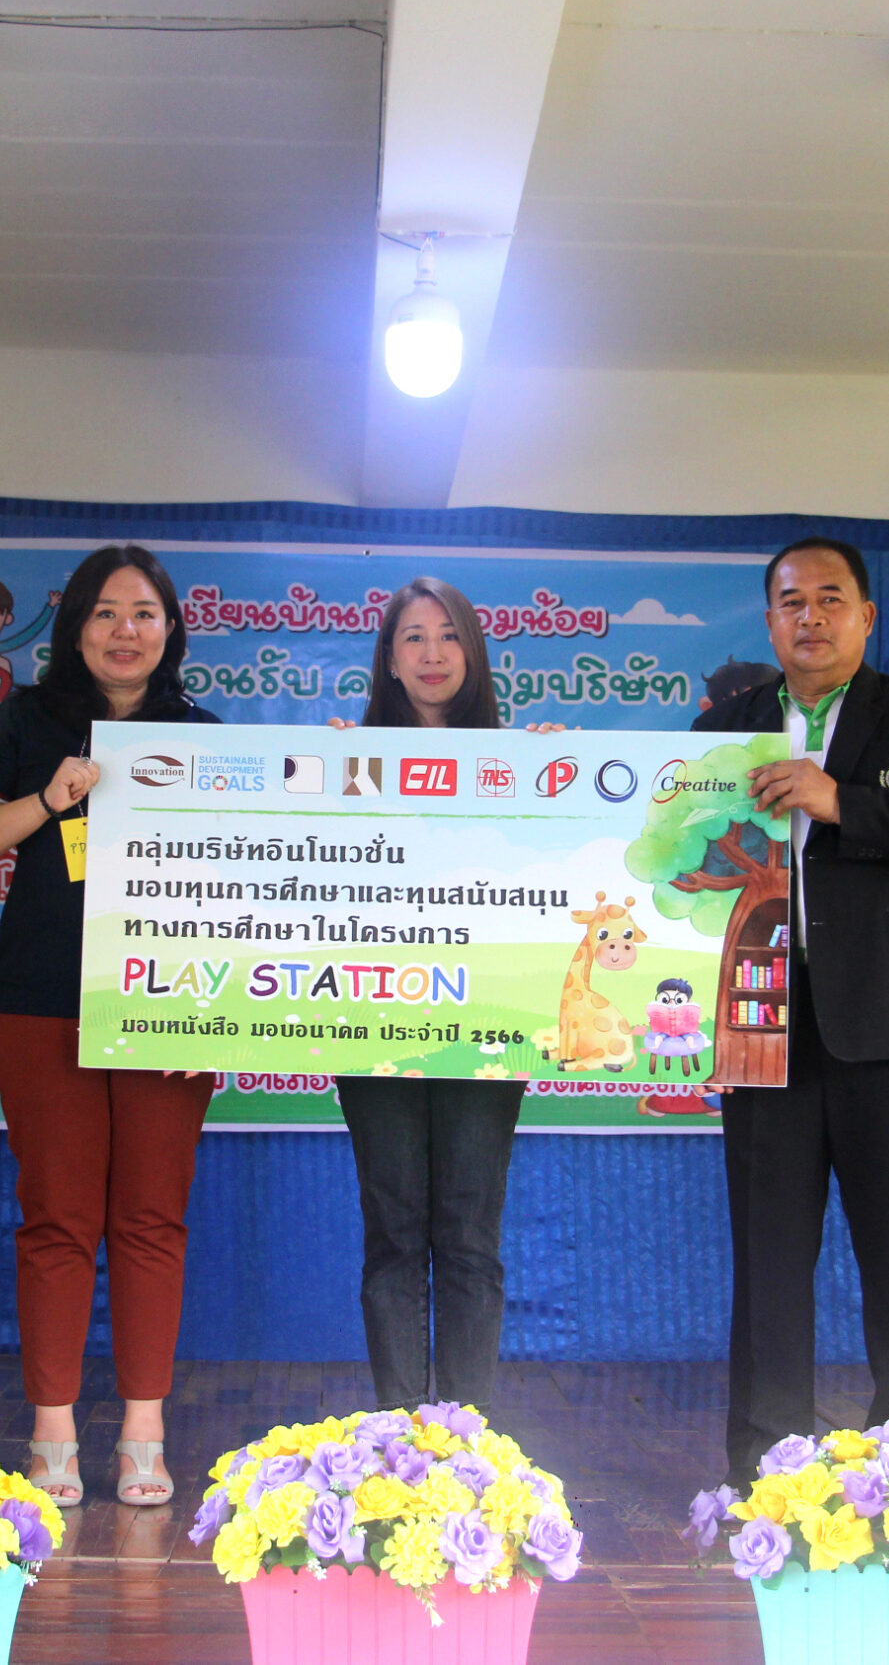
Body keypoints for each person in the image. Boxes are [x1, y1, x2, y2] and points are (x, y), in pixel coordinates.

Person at [693, 536, 889, 1484]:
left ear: (867, 616)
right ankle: (766, 1465)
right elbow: (665, 840)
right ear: (769, 621)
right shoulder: (725, 727)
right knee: (769, 1260)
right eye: (792, 601)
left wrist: (844, 801)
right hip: (763, 1030)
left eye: (831, 599)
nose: (811, 617)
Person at [0, 544, 218, 1510]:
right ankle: (52, 1431)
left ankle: (145, 1430)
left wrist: (213, 1013)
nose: (124, 631)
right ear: (76, 627)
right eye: (105, 612)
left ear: (170, 629)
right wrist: (47, 800)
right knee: (56, 1217)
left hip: (169, 1009)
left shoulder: (204, 738)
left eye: (143, 613)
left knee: (151, 1217)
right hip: (44, 1000)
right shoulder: (26, 719)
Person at [329, 577, 526, 1409]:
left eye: (449, 635)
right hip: (375, 1023)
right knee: (394, 1234)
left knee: (471, 1236)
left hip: (486, 1028)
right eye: (414, 636)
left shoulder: (524, 762)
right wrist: (317, 781)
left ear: (473, 652)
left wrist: (564, 772)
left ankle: (467, 1442)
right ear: (389, 658)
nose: (433, 653)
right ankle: (400, 1435)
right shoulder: (341, 762)